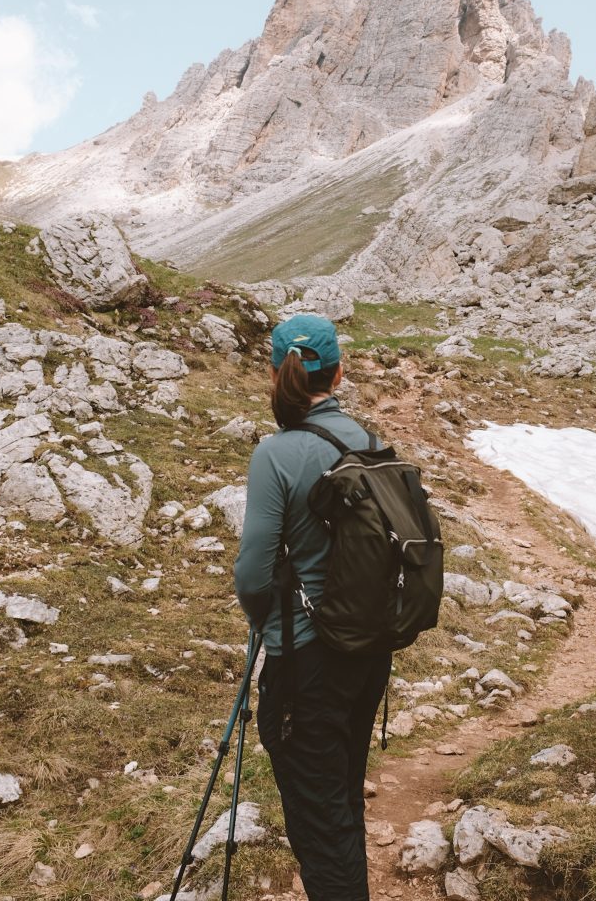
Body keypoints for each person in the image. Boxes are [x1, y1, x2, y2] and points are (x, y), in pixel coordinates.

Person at [234, 313, 391, 901]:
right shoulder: (369, 443)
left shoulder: (276, 454)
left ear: (277, 373)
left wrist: (267, 623)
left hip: (305, 660)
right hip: (369, 650)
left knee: (319, 821)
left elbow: (252, 571)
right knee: (342, 795)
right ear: (339, 373)